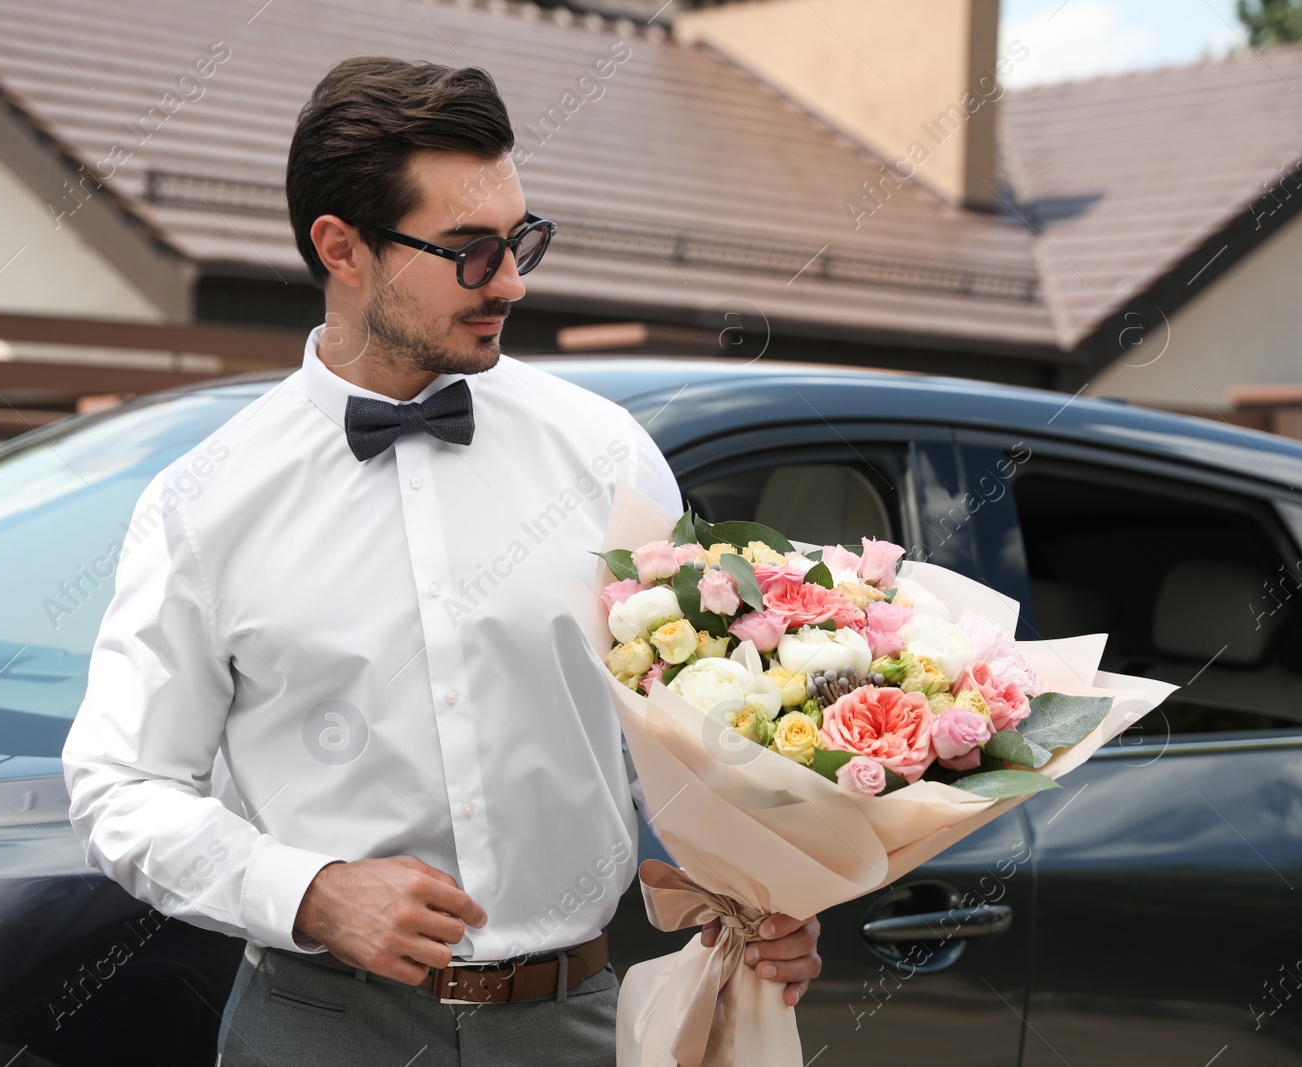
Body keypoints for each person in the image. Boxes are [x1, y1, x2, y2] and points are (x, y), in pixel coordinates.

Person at [60, 55, 821, 1067]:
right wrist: (309, 890)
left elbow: (688, 733)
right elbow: (119, 782)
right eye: (469, 250)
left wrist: (765, 890)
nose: (509, 281)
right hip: (317, 1027)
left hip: (579, 1025)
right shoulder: (203, 502)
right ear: (342, 247)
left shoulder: (605, 455)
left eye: (519, 241)